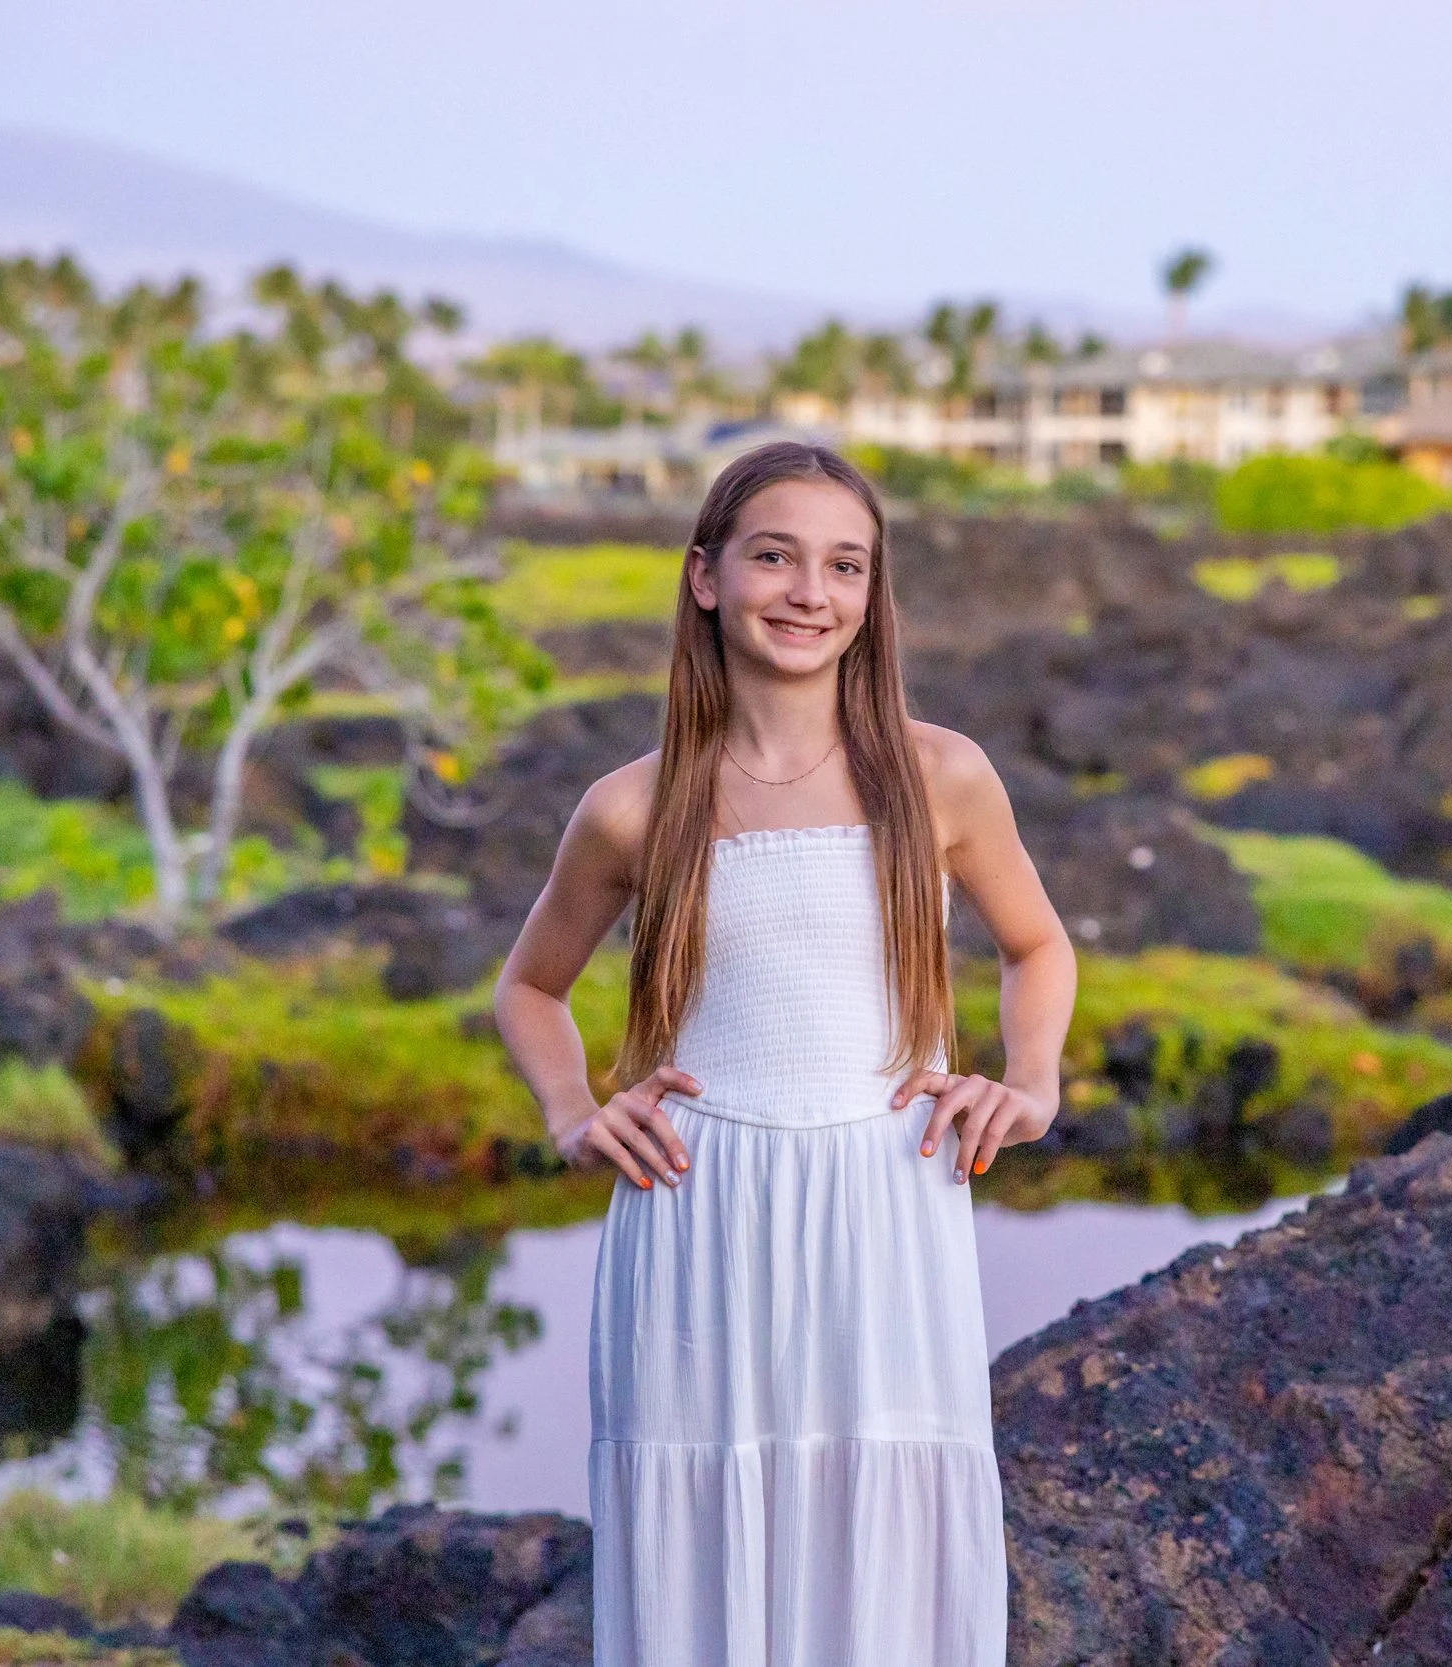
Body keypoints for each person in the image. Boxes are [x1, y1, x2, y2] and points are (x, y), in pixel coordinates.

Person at [492, 440, 1078, 1666]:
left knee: (886, 1546)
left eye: (844, 564)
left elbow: (1037, 947)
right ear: (704, 575)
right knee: (703, 1547)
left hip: (889, 1195)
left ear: (871, 594)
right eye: (775, 555)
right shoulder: (632, 807)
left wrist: (1028, 1084)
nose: (811, 590)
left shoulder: (938, 774)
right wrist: (572, 1110)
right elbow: (531, 987)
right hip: (694, 1208)